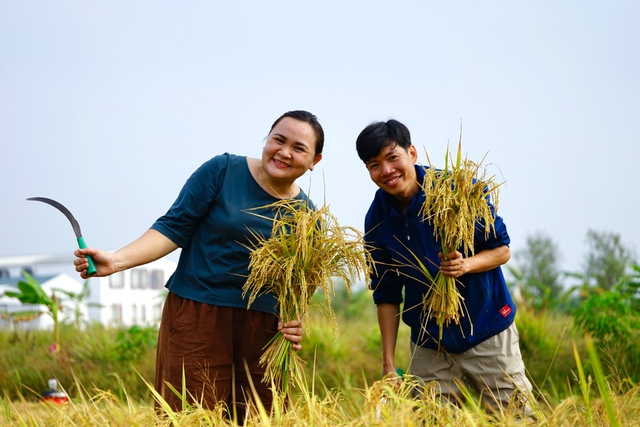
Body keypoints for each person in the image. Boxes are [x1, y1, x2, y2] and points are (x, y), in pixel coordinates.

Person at [74, 110, 324, 419]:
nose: (284, 152)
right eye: (278, 140)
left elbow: (300, 284)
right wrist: (116, 260)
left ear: (315, 160)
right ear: (267, 140)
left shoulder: (307, 216)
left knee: (264, 417)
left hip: (264, 332)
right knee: (190, 415)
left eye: (299, 148)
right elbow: (173, 227)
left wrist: (295, 320)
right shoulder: (222, 171)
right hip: (199, 315)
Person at [355, 119, 533, 416]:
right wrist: (388, 363)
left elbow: (502, 250)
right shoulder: (377, 218)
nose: (386, 171)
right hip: (429, 341)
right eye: (374, 165)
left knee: (514, 418)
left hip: (486, 328)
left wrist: (467, 265)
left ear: (412, 152)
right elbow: (386, 293)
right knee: (428, 420)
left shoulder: (458, 193)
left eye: (392, 157)